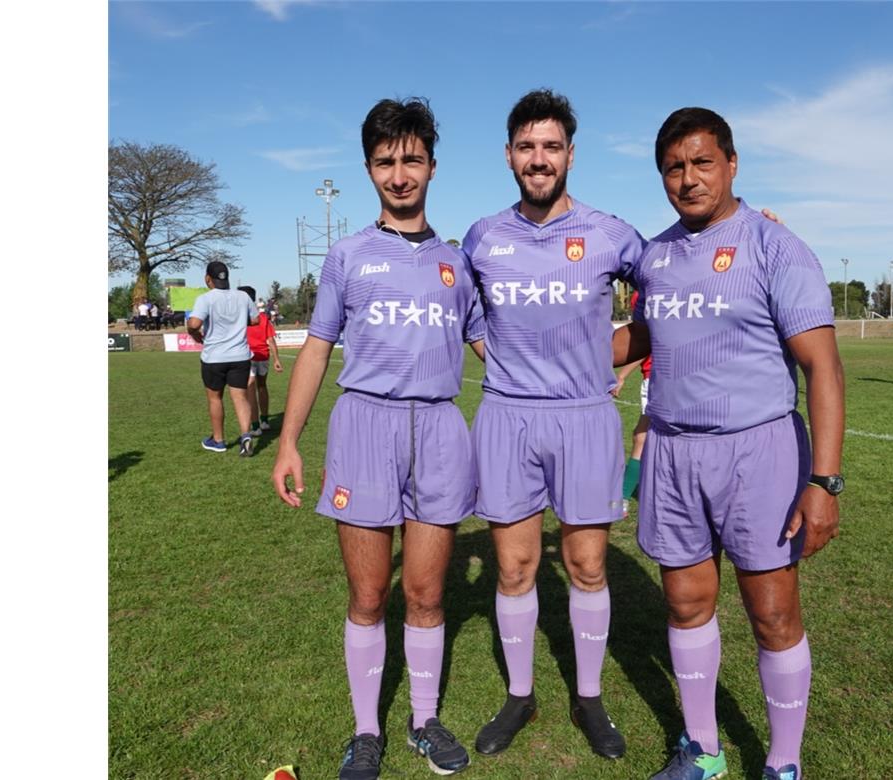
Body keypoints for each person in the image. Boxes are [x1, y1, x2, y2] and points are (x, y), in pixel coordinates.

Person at [613, 108, 844, 780]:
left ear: (732, 163)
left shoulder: (776, 247)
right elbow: (646, 338)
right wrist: (549, 349)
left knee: (773, 612)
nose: (688, 179)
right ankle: (705, 752)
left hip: (759, 450)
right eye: (674, 167)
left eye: (702, 162)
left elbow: (822, 367)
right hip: (674, 452)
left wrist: (824, 481)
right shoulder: (654, 256)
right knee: (685, 604)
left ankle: (783, 762)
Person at [270, 97, 486, 780]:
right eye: (387, 162)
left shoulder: (458, 262)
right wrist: (287, 443)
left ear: (431, 164)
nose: (400, 175)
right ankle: (367, 732)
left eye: (412, 159)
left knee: (425, 594)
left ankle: (423, 720)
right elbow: (314, 351)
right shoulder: (347, 256)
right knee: (368, 597)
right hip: (364, 426)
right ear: (369, 169)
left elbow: (498, 349)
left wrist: (584, 373)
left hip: (440, 429)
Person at [460, 89, 642, 761]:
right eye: (528, 147)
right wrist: (501, 358)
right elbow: (464, 312)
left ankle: (589, 698)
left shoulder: (610, 233)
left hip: (585, 418)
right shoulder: (482, 235)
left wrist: (618, 352)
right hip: (507, 418)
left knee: (586, 563)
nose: (540, 160)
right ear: (510, 155)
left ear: (570, 154)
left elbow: (672, 287)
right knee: (514, 566)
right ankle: (520, 695)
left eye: (552, 147)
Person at [187, 260, 260, 456]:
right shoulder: (243, 296)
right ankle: (246, 435)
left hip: (214, 357)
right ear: (227, 277)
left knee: (215, 398)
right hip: (240, 355)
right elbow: (255, 320)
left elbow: (194, 323)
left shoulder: (206, 299)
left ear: (207, 279)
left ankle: (218, 440)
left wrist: (191, 331)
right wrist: (235, 323)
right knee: (240, 397)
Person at [614, 289, 653, 502]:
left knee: (643, 437)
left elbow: (642, 342)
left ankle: (623, 497)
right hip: (656, 377)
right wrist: (622, 375)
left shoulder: (646, 291)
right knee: (643, 436)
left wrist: (621, 376)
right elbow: (642, 341)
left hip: (659, 378)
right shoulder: (643, 292)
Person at [238, 285, 283, 434]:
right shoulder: (263, 318)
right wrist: (276, 359)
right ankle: (264, 421)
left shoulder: (240, 318)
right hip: (263, 356)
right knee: (262, 386)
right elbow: (271, 340)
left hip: (248, 356)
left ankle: (256, 426)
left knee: (250, 388)